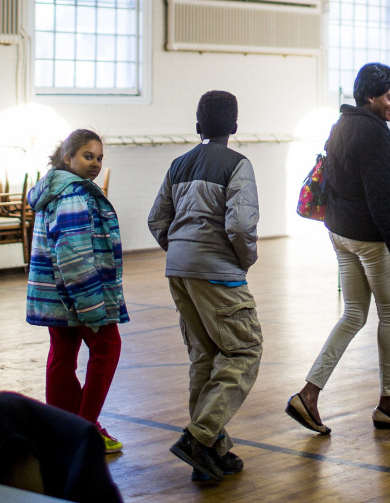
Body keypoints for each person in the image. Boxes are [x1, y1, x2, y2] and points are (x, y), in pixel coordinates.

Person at [286, 62, 390, 435]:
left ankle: (308, 394)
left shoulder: (342, 125)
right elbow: (379, 202)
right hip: (371, 240)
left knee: (352, 315)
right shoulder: (377, 134)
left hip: (341, 234)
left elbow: (354, 177)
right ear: (371, 95)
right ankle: (389, 403)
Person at [147, 90, 262, 484]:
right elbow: (241, 226)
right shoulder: (237, 164)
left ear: (197, 127)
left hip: (178, 271)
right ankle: (199, 438)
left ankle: (211, 452)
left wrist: (179, 250)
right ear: (234, 127)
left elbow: (156, 220)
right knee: (244, 350)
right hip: (217, 272)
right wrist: (242, 260)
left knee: (204, 356)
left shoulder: (178, 165)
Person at [26, 129, 128, 455]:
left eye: (99, 157)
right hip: (75, 297)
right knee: (108, 346)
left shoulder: (55, 189)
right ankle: (84, 429)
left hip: (55, 297)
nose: (96, 163)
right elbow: (74, 255)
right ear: (67, 158)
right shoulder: (72, 194)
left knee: (63, 353)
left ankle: (62, 428)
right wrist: (90, 304)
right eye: (88, 156)